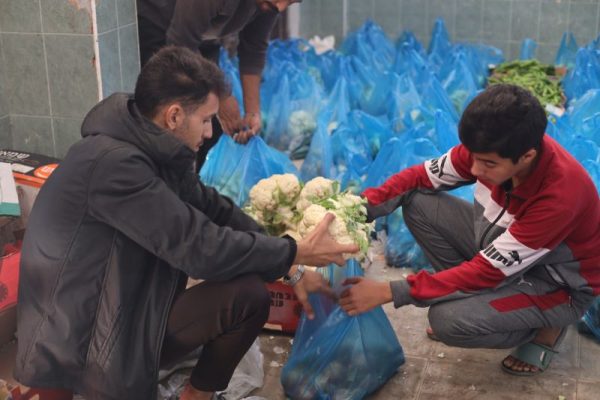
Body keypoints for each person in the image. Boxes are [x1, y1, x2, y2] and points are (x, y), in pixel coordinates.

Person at [14, 46, 357, 400]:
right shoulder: (114, 166)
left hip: (125, 305)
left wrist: (293, 264)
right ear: (174, 115)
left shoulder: (153, 144)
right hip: (78, 340)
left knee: (251, 293)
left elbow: (213, 209)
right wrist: (294, 250)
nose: (210, 132)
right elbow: (200, 248)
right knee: (245, 292)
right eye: (207, 119)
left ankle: (194, 394)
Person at [339, 84, 600, 376]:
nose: (474, 169)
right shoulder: (489, 150)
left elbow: (486, 271)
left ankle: (543, 326)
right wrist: (354, 212)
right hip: (503, 255)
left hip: (555, 284)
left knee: (447, 320)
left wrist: (391, 291)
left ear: (526, 157)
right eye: (473, 156)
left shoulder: (559, 196)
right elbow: (419, 177)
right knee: (417, 200)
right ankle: (483, 304)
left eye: (488, 163)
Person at [137, 0, 301, 171]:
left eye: (291, 2)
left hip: (201, 39)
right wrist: (221, 96)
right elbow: (180, 41)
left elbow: (254, 48)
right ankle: (161, 185)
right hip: (160, 29)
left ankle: (197, 186)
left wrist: (252, 112)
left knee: (210, 127)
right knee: (176, 121)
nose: (280, 7)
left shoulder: (269, 4)